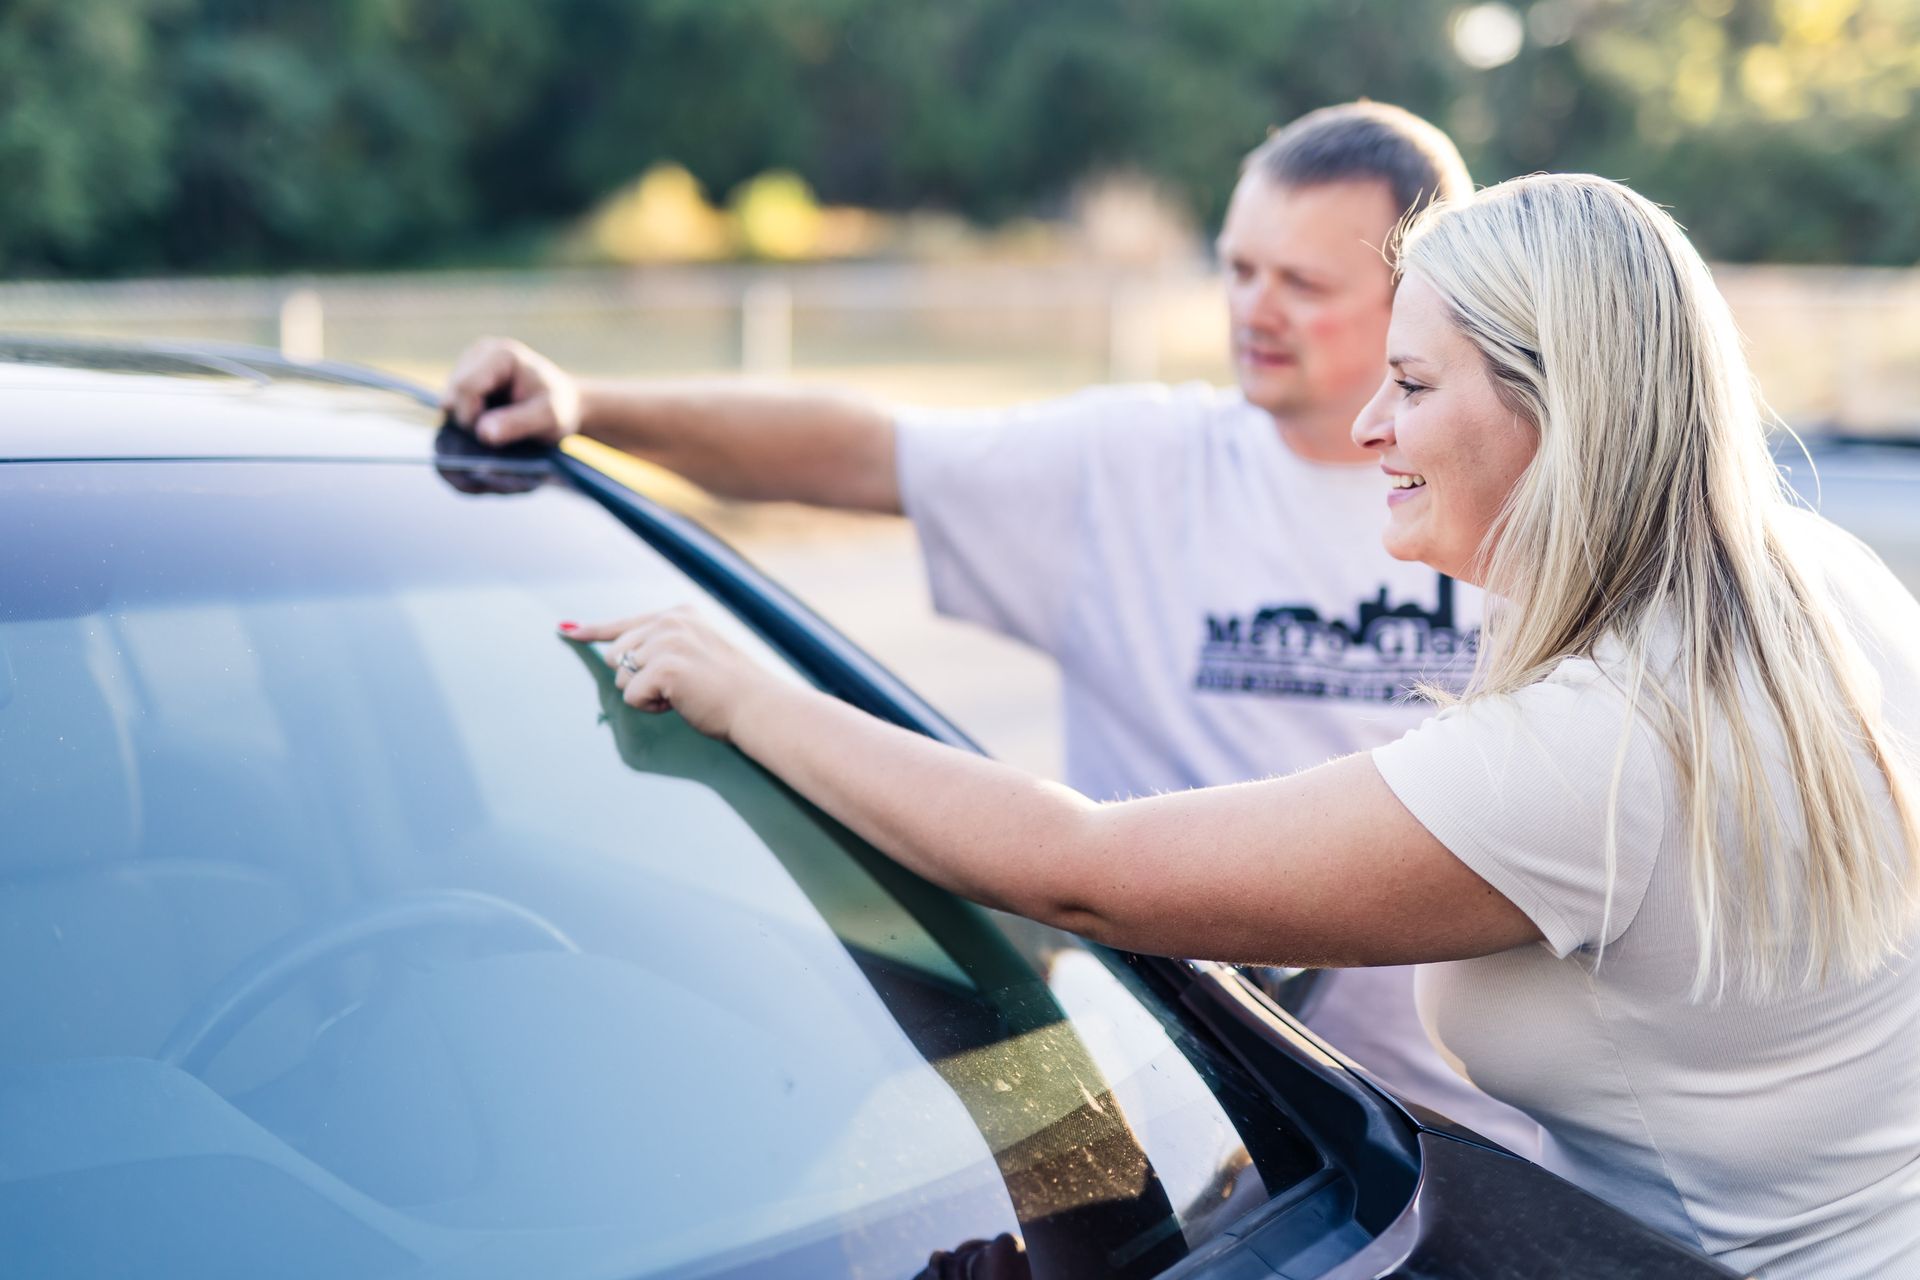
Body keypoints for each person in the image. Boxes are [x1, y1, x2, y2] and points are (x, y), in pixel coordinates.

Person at [560, 173, 1920, 1278]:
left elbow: (1079, 871)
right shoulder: (1805, 580)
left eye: (1417, 384)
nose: (1373, 427)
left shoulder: (1598, 747)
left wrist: (752, 701)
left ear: (1558, 409)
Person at [444, 101, 1545, 1154]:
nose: (1254, 307)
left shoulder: (1529, 518)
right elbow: (866, 449)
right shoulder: (1133, 470)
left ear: (1421, 299)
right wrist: (591, 405)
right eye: (1237, 266)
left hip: (1471, 1143)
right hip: (1206, 1135)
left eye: (1302, 281)